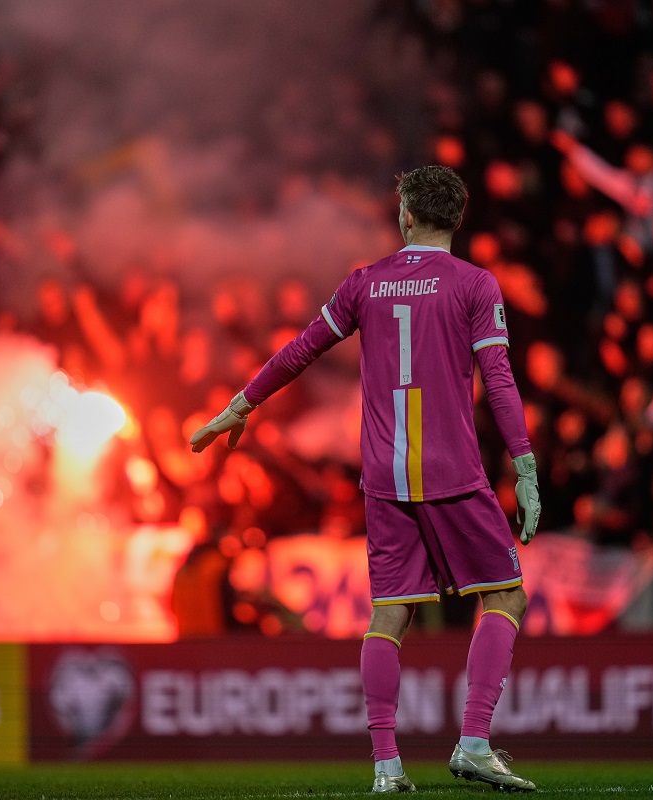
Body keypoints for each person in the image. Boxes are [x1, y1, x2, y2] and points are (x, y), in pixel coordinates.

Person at [190, 166, 541, 793]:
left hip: (384, 473)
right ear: (456, 219)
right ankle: (474, 742)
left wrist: (239, 406)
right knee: (507, 596)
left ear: (406, 216)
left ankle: (385, 766)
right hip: (452, 469)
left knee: (388, 614)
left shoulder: (365, 282)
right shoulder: (475, 285)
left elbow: (299, 350)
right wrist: (525, 466)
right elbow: (500, 379)